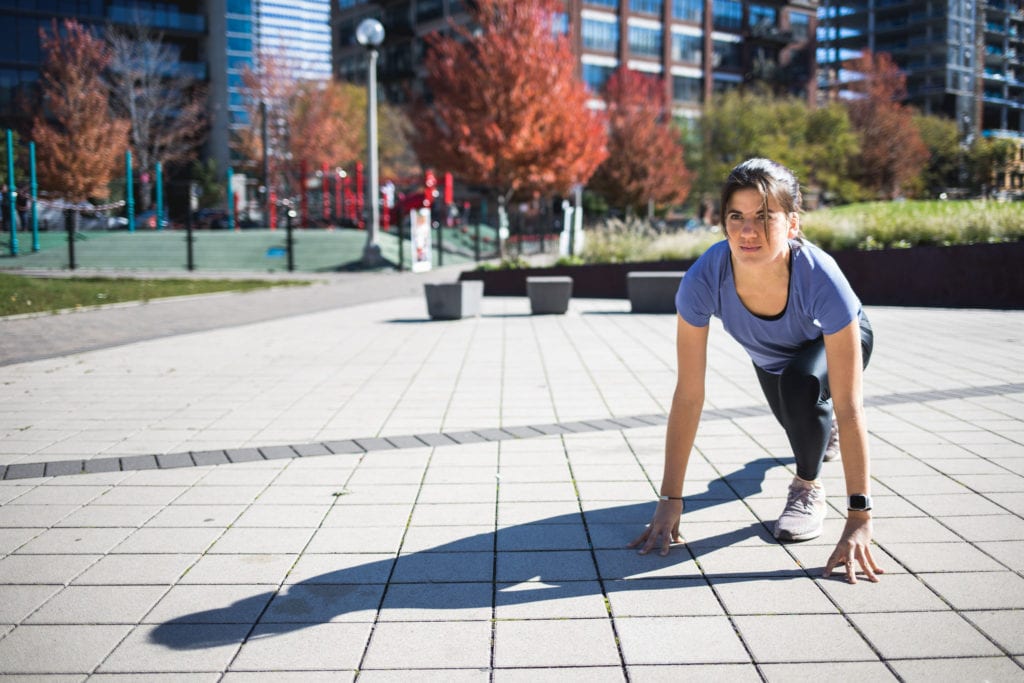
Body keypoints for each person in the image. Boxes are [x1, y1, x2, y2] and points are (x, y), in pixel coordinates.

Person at [628, 158, 882, 584]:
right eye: (737, 217)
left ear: (792, 223)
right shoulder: (703, 279)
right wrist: (670, 498)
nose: (748, 231)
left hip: (836, 343)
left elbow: (850, 405)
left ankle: (807, 489)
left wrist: (859, 515)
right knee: (796, 416)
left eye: (764, 217)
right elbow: (689, 394)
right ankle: (816, 436)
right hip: (773, 359)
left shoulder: (822, 279)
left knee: (804, 391)